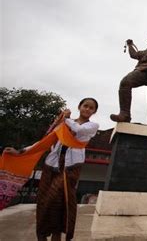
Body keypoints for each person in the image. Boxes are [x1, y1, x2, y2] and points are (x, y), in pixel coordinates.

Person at [1, 98, 99, 241]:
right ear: (79, 106)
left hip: (71, 167)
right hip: (52, 165)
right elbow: (45, 142)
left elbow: (78, 129)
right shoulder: (62, 126)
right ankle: (45, 234)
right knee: (44, 200)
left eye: (91, 108)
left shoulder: (92, 126)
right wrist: (20, 151)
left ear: (94, 112)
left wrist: (65, 119)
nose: (87, 109)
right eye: (85, 106)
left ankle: (57, 233)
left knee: (58, 198)